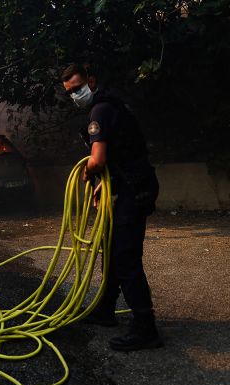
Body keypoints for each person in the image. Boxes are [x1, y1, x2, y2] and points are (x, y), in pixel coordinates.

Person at [61, 63, 162, 351]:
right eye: (70, 92)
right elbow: (121, 155)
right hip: (130, 185)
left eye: (78, 88)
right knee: (111, 247)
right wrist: (104, 184)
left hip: (135, 190)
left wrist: (87, 173)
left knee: (125, 256)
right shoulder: (111, 105)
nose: (75, 95)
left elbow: (98, 160)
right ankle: (105, 310)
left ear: (91, 81)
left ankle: (146, 327)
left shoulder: (100, 111)